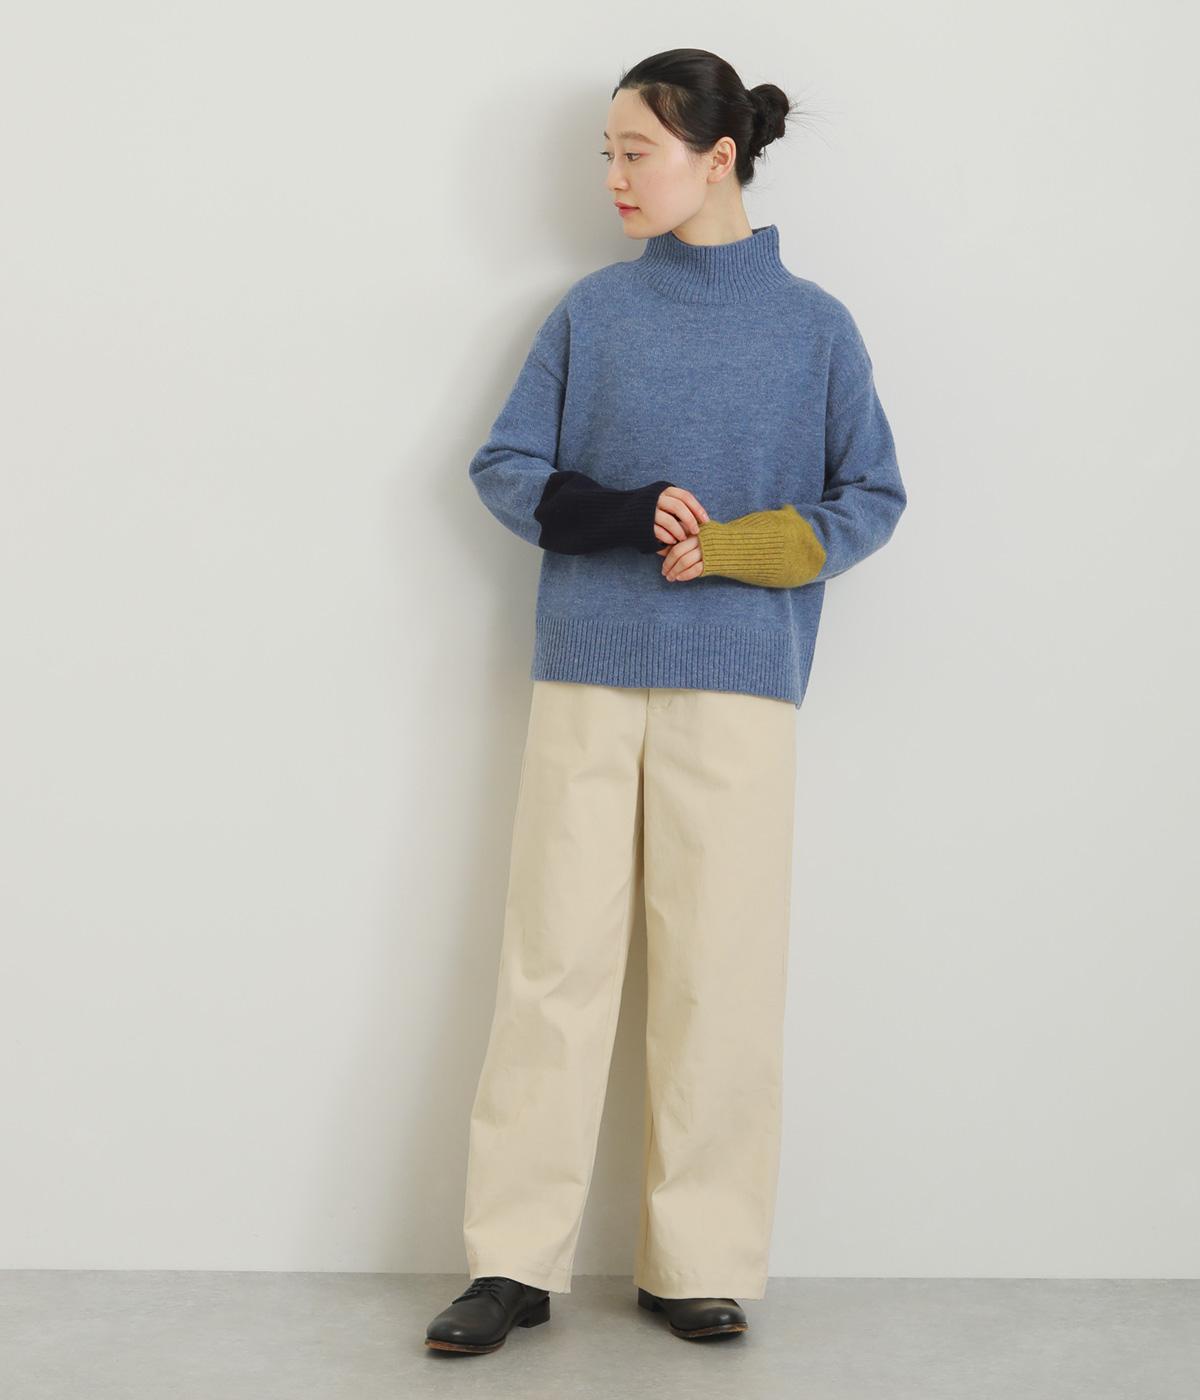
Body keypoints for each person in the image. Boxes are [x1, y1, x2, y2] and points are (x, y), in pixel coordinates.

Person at [426, 46, 907, 1355]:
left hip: (741, 683)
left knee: (720, 972)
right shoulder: (593, 314)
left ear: (718, 157)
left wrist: (741, 546)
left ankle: (699, 1260)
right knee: (553, 967)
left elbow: (872, 497)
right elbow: (505, 466)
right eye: (607, 153)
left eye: (635, 150)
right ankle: (513, 1261)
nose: (615, 176)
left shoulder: (816, 328)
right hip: (588, 670)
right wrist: (624, 513)